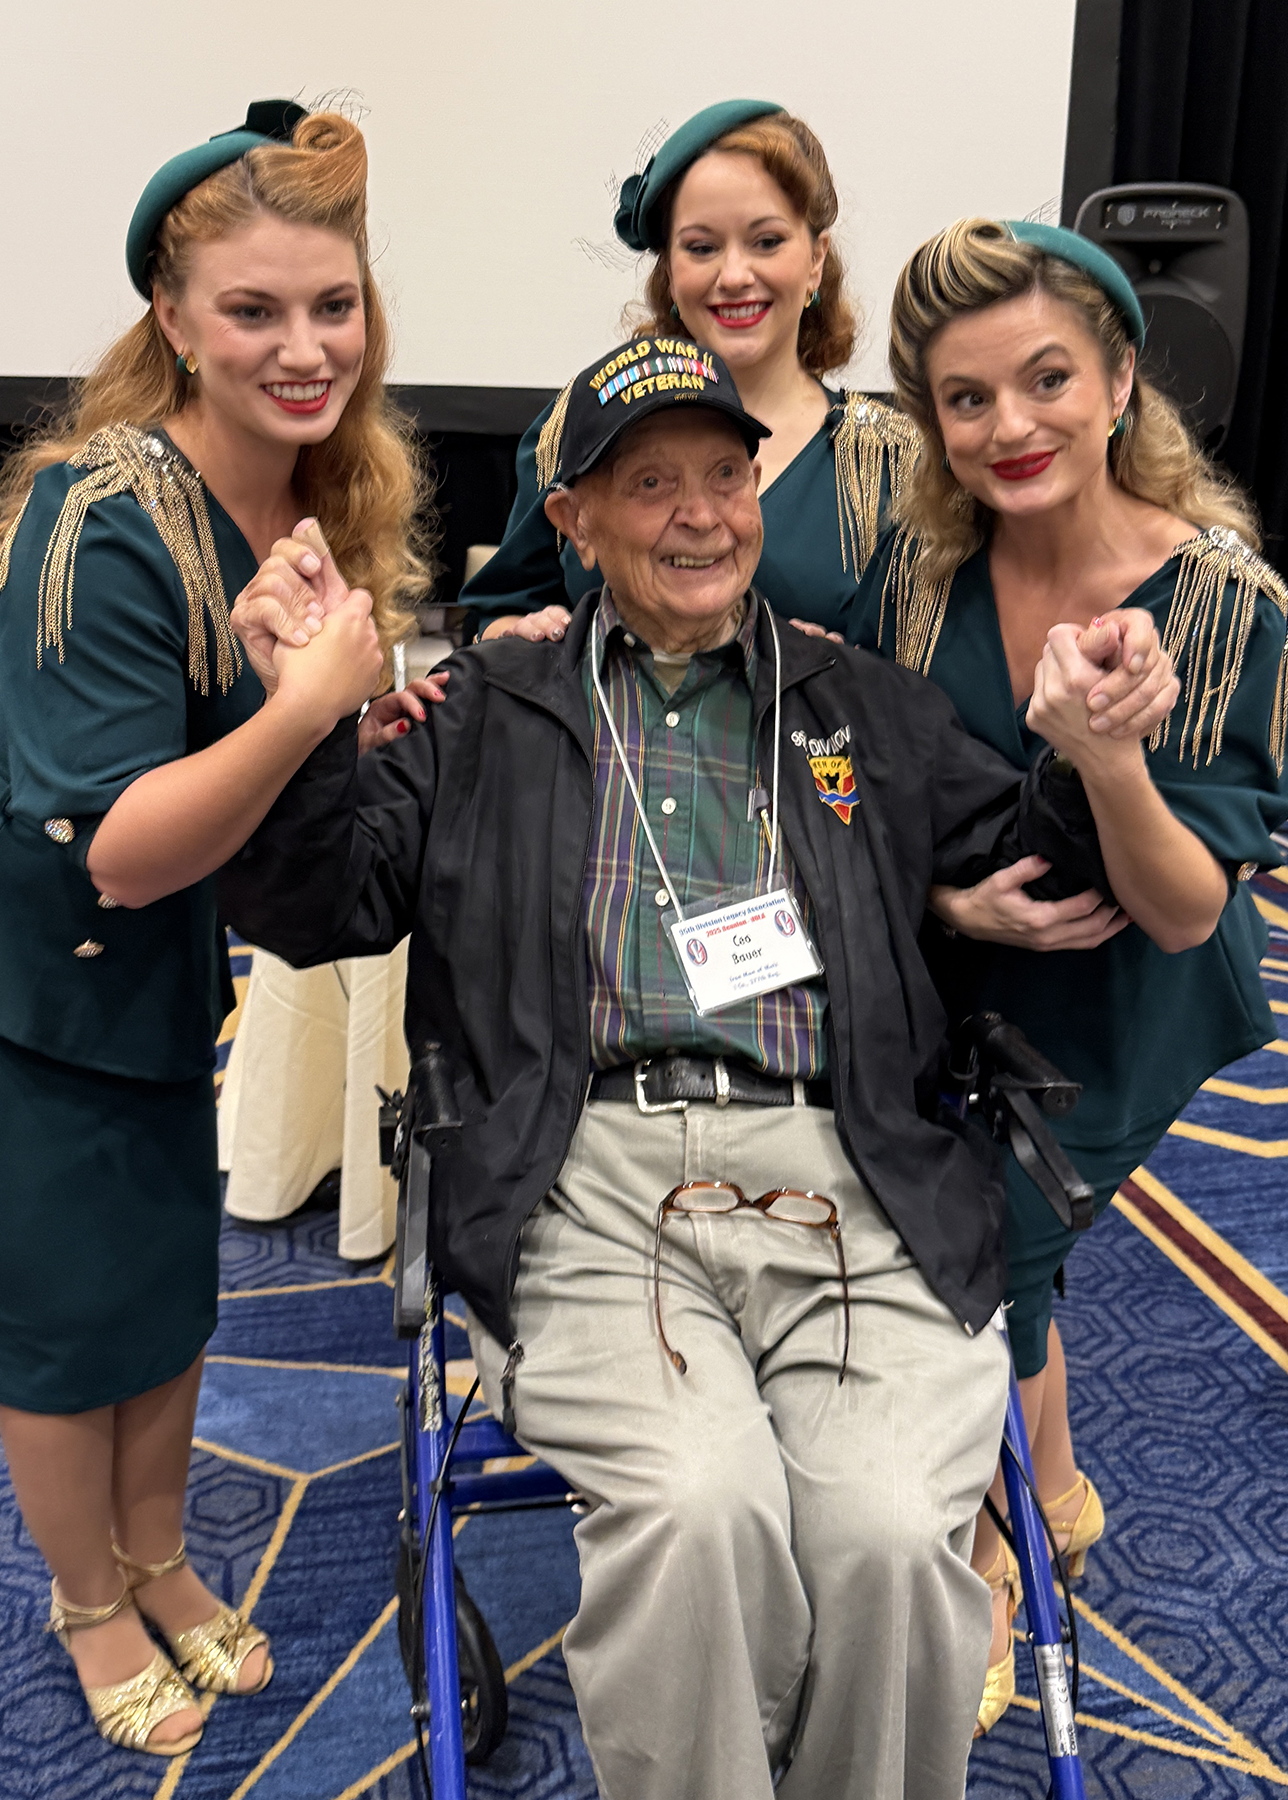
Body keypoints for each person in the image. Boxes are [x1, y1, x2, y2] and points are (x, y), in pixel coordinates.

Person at [221, 337, 1185, 1800]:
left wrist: (1090, 743)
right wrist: (297, 722)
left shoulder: (855, 704)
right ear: (573, 519)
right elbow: (317, 904)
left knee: (887, 1533)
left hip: (845, 1165)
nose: (699, 515)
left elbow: (1035, 852)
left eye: (726, 477)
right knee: (696, 1511)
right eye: (650, 483)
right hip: (582, 1171)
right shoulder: (488, 709)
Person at [0, 100, 431, 1756]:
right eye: (253, 310)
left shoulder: (310, 488)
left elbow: (244, 769)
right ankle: (89, 1601)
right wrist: (309, 704)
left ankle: (159, 1562)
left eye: (334, 304)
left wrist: (348, 720)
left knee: (165, 1292)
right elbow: (115, 851)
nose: (305, 348)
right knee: (56, 1321)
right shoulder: (97, 512)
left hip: (145, 985)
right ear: (171, 319)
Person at [839, 216, 1288, 1731]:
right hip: (953, 974)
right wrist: (942, 899)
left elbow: (1181, 910)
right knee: (974, 1234)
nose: (1010, 426)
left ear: (1119, 381)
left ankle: (997, 1551)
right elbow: (845, 786)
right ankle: (1052, 1483)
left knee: (991, 1245)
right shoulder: (922, 579)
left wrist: (1106, 757)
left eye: (1047, 379)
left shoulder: (1224, 606)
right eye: (966, 399)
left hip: (1123, 997)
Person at [464, 99, 919, 642]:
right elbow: (496, 619)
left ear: (816, 259)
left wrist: (848, 673)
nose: (734, 275)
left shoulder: (890, 465)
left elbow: (914, 674)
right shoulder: (575, 429)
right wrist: (522, 640)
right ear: (670, 272)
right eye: (702, 247)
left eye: (767, 242)